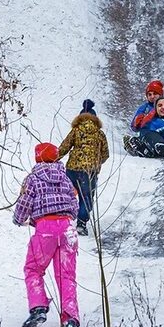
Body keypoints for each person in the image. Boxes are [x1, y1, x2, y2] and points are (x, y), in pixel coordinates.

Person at [13, 142, 81, 327]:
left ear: (37, 158)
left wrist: (19, 219)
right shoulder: (66, 179)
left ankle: (38, 307)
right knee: (66, 275)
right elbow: (74, 204)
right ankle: (70, 319)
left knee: (33, 268)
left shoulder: (33, 179)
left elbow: (25, 202)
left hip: (46, 230)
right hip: (67, 229)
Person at [57, 99, 109, 237]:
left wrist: (51, 159)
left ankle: (63, 220)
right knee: (86, 197)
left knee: (67, 194)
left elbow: (64, 148)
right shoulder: (100, 134)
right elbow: (106, 154)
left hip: (72, 169)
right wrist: (97, 162)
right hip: (89, 172)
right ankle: (81, 223)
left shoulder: (75, 130)